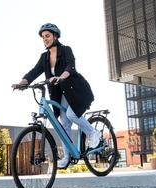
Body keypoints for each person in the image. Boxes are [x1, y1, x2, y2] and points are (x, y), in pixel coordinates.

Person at [12, 23, 101, 168]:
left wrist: (61, 77)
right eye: (43, 37)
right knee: (64, 124)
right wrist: (21, 83)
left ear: (55, 36)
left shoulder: (66, 50)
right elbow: (34, 72)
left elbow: (70, 67)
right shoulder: (44, 57)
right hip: (61, 93)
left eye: (47, 36)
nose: (45, 39)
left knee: (72, 116)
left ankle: (93, 133)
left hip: (76, 90)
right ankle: (68, 157)